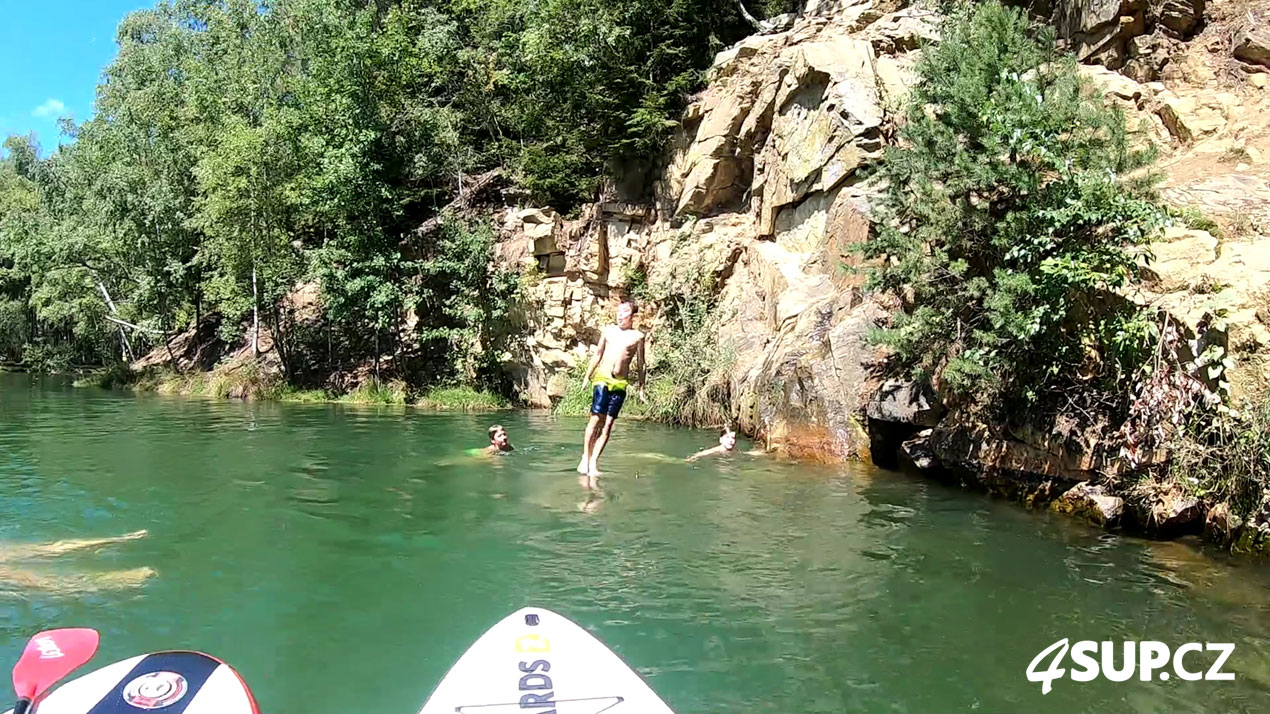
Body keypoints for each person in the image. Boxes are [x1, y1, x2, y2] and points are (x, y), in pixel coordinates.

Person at [577, 301, 647, 477]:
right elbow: (598, 354)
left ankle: (594, 462)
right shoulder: (608, 331)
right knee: (595, 420)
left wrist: (641, 389)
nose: (620, 314)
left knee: (608, 424)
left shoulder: (638, 336)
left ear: (633, 316)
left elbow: (641, 364)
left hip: (620, 383)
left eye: (625, 311)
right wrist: (587, 376)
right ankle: (585, 457)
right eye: (619, 311)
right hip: (602, 378)